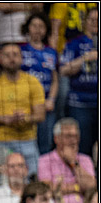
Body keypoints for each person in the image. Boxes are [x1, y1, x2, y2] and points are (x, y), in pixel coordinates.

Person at [0, 43, 46, 178]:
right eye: (7, 55)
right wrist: (5, 119)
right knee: (1, 182)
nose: (12, 59)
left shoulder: (33, 82)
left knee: (32, 182)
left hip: (27, 140)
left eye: (15, 55)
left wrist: (24, 118)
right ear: (0, 58)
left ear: (21, 58)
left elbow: (40, 115)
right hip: (0, 141)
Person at [37, 119, 97, 203]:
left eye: (75, 136)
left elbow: (91, 187)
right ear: (56, 139)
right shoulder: (45, 160)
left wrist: (73, 163)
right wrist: (77, 188)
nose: (73, 140)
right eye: (68, 136)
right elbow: (47, 189)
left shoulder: (85, 159)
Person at [58, 5, 98, 156]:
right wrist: (84, 59)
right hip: (80, 103)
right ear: (85, 21)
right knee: (83, 147)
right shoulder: (74, 44)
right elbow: (63, 70)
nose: (95, 23)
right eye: (92, 19)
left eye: (98, 20)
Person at [20, 13, 59, 154]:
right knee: (25, 142)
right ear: (28, 28)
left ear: (46, 29)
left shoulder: (51, 52)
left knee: (45, 144)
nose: (37, 29)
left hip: (45, 105)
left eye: (41, 26)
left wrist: (51, 99)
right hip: (25, 104)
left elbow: (55, 79)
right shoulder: (20, 50)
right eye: (34, 25)